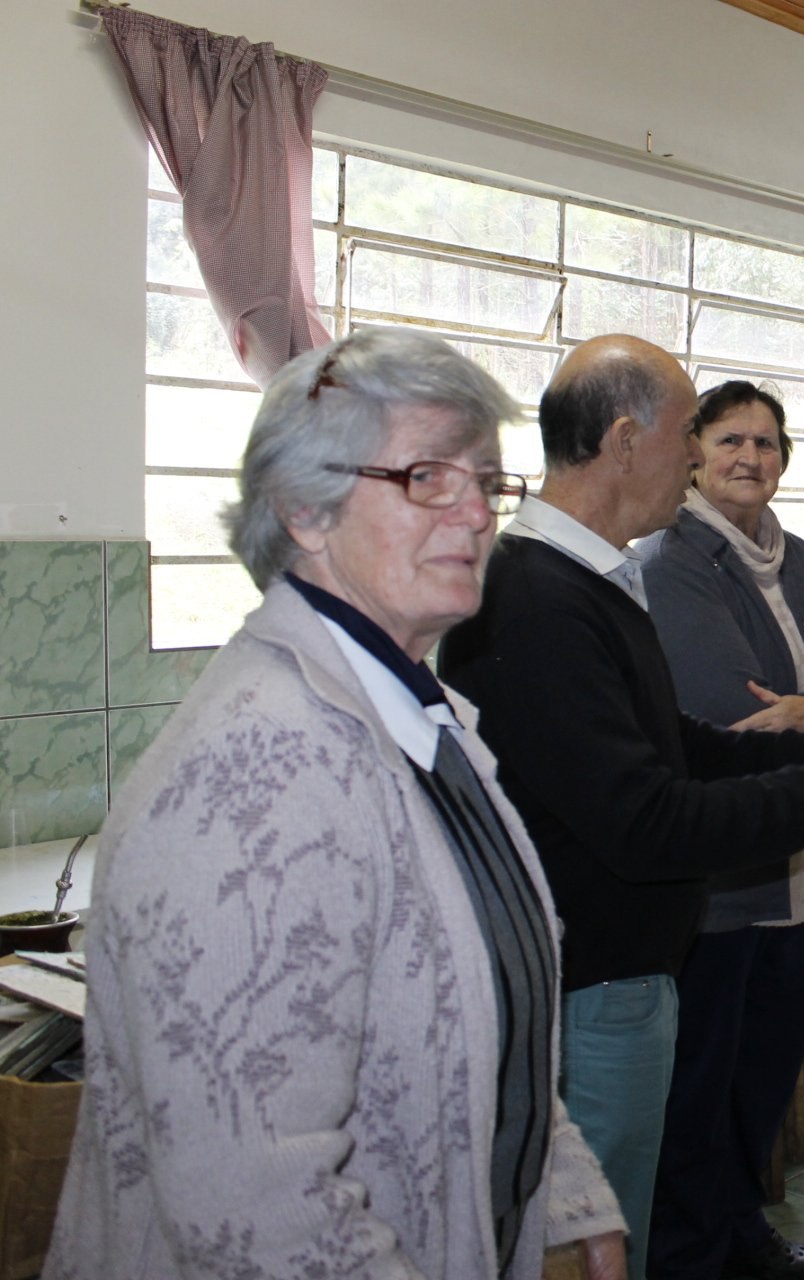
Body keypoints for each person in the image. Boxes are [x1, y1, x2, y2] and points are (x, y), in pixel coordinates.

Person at [46, 329, 627, 1279]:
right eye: (428, 478)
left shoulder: (420, 720)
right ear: (302, 512)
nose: (477, 513)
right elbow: (255, 1202)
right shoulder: (256, 780)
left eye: (487, 481)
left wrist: (563, 1197)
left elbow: (479, 1004)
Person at [438, 335, 804, 1278]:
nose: (703, 463)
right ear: (627, 441)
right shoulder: (540, 598)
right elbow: (646, 819)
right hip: (591, 973)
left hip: (630, 963)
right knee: (606, 1237)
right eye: (690, 437)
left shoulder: (592, 577)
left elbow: (670, 739)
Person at [635, 381, 804, 1280]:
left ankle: (742, 1230)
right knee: (700, 1082)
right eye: (731, 439)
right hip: (722, 882)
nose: (751, 457)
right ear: (694, 451)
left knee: (763, 1073)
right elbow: (723, 709)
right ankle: (690, 1252)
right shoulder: (669, 561)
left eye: (769, 443)